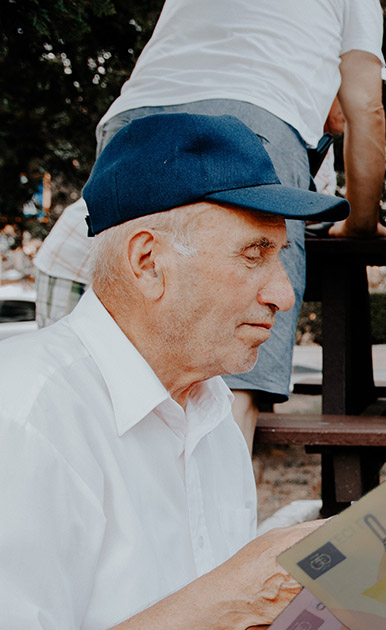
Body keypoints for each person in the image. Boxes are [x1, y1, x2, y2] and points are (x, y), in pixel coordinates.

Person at [0, 113, 349, 628]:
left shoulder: (211, 413)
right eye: (253, 254)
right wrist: (237, 598)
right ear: (148, 262)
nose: (283, 293)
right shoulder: (26, 416)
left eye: (279, 255)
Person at [32, 0, 386, 449]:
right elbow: (366, 106)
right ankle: (214, 490)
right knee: (234, 370)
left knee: (124, 360)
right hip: (255, 117)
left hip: (136, 119)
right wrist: (361, 224)